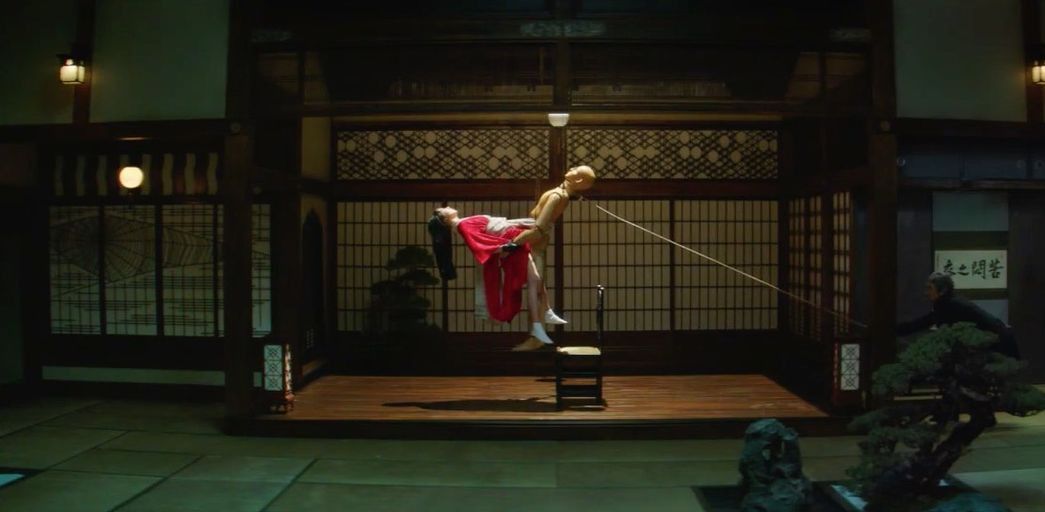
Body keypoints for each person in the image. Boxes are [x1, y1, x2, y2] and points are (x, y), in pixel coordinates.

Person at [428, 206, 565, 350]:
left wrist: (522, 223)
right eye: (443, 209)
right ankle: (540, 322)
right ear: (445, 218)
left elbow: (494, 225)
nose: (447, 207)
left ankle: (545, 315)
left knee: (535, 279)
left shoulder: (463, 222)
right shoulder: (462, 225)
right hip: (511, 241)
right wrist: (504, 247)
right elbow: (479, 245)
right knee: (533, 280)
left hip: (513, 236)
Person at [897, 272, 1021, 359]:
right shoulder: (950, 303)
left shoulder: (949, 305)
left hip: (999, 346)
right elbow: (924, 322)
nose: (926, 293)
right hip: (999, 342)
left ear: (943, 290)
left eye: (930, 288)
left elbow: (925, 323)